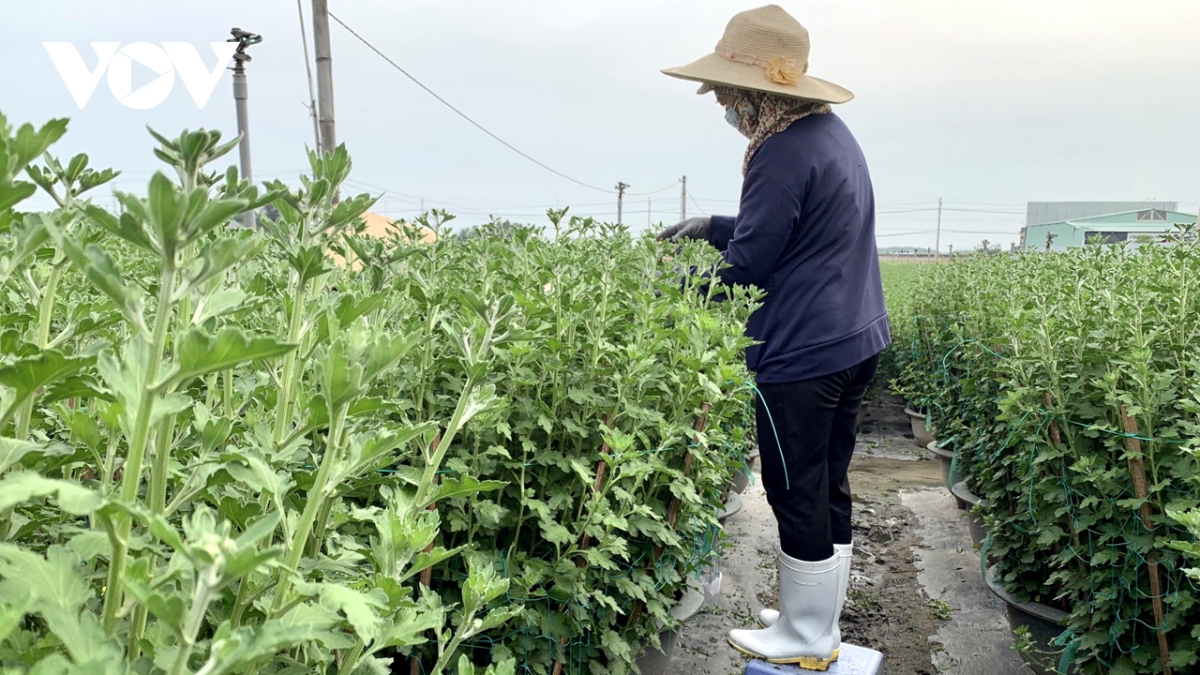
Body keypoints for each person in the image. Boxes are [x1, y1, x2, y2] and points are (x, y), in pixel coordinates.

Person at [657, 5, 890, 670]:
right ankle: (812, 616)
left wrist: (675, 294)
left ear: (760, 92)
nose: (724, 105)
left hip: (803, 356)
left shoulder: (780, 151)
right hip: (854, 339)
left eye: (729, 94)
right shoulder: (828, 135)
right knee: (828, 483)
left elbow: (753, 263)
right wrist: (713, 224)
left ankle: (806, 637)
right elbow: (785, 224)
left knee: (793, 489)